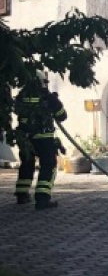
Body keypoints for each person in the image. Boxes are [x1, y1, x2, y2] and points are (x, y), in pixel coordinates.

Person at [13, 70, 67, 210]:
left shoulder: (21, 96)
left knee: (26, 164)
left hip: (25, 138)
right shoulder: (47, 97)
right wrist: (54, 102)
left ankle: (21, 194)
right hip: (44, 139)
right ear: (42, 81)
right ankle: (42, 199)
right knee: (48, 166)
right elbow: (62, 115)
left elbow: (17, 111)